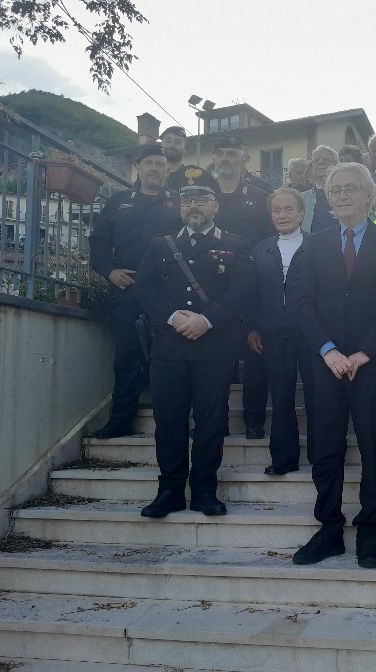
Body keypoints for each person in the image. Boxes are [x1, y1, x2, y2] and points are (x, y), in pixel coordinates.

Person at [287, 162, 376, 569]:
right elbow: (301, 301)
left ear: (369, 195)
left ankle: (369, 530)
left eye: (350, 188)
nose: (341, 195)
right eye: (335, 189)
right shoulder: (314, 244)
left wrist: (364, 352)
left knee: (372, 446)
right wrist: (328, 350)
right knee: (325, 447)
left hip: (371, 364)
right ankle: (329, 529)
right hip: (325, 363)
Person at [134, 182, 256, 518]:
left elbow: (245, 290)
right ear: (179, 207)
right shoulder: (160, 244)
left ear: (216, 206)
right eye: (187, 201)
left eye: (202, 200)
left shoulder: (236, 245)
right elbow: (143, 286)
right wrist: (172, 316)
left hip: (214, 349)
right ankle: (170, 491)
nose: (194, 206)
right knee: (169, 421)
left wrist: (207, 319)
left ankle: (204, 491)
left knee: (211, 422)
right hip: (169, 348)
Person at [87, 145, 181, 439]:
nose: (154, 168)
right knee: (126, 356)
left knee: (172, 358)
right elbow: (99, 243)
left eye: (160, 164)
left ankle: (177, 422)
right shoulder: (118, 203)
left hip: (167, 291)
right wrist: (110, 271)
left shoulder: (178, 203)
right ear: (138, 168)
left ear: (168, 170)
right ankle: (121, 421)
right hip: (128, 288)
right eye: (149, 163)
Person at [248, 187, 315, 475]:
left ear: (301, 214)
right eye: (277, 210)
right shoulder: (260, 249)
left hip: (312, 333)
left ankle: (321, 454)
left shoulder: (318, 245)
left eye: (289, 209)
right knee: (281, 397)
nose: (283, 214)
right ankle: (283, 458)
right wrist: (253, 326)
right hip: (275, 334)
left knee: (316, 395)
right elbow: (252, 293)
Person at [211, 136, 273, 440]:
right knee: (215, 363)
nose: (226, 159)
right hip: (212, 291)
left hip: (252, 290)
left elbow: (271, 241)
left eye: (232, 154)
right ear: (214, 159)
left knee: (255, 359)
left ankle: (254, 422)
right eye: (221, 154)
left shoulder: (261, 199)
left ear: (244, 160)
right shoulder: (204, 195)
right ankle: (216, 421)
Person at [159, 126, 219, 193]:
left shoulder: (199, 176)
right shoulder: (152, 174)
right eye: (167, 141)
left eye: (177, 142)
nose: (172, 145)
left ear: (185, 149)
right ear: (161, 145)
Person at [302, 145, 339, 234]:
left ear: (336, 164)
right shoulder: (302, 198)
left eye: (326, 159)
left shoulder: (345, 193)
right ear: (312, 167)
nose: (321, 162)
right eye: (316, 160)